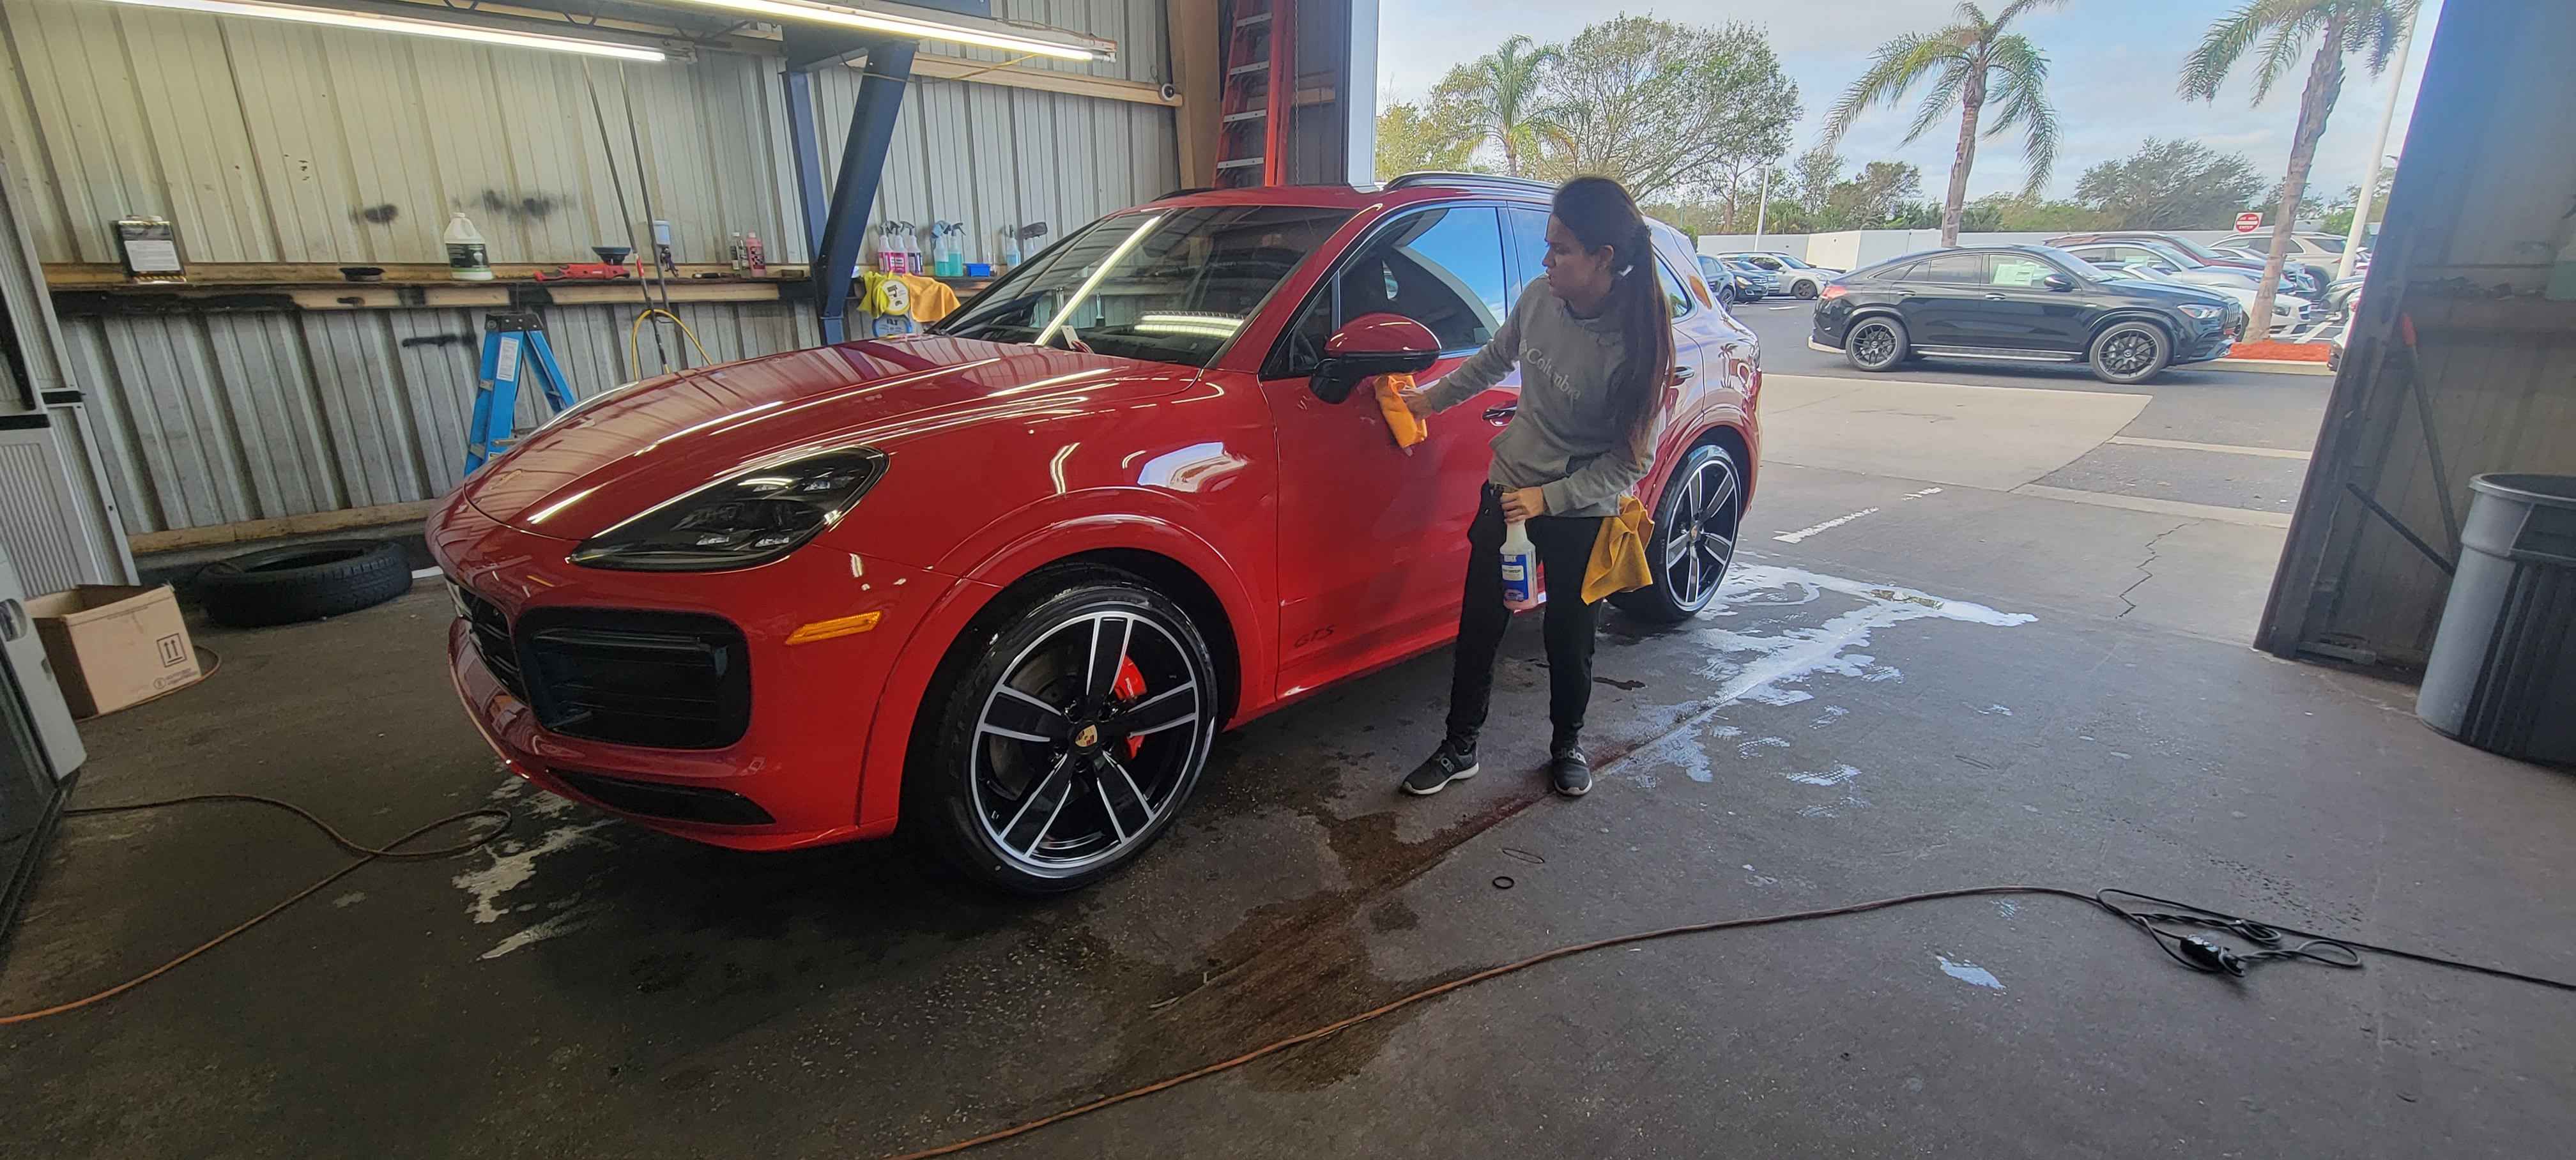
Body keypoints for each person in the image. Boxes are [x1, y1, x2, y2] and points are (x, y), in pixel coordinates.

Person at [1398, 176, 1673, 800]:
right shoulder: (1538, 299)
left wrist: (1550, 499)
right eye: (1548, 245)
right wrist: (1428, 401)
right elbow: (1493, 359)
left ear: (1603, 258)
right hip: (1510, 488)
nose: (1546, 260)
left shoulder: (1638, 346)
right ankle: (1460, 746)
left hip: (1580, 509)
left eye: (1561, 249)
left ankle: (1567, 745)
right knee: (1479, 626)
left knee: (1569, 638)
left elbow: (1630, 462)